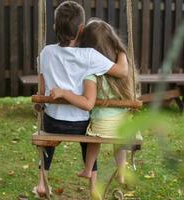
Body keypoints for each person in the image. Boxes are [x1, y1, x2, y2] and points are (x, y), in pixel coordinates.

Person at [35, 1, 129, 197]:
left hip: (52, 123)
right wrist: (120, 50)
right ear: (81, 29)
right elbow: (121, 72)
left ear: (54, 27)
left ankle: (42, 183)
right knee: (89, 138)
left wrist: (41, 102)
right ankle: (93, 188)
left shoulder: (46, 53)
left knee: (46, 140)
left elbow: (42, 90)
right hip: (80, 124)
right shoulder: (89, 56)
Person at [50, 18, 138, 185]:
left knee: (94, 139)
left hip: (101, 125)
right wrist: (122, 51)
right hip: (124, 126)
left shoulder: (92, 74)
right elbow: (124, 69)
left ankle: (88, 169)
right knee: (119, 142)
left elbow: (87, 100)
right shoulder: (122, 73)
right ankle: (121, 172)